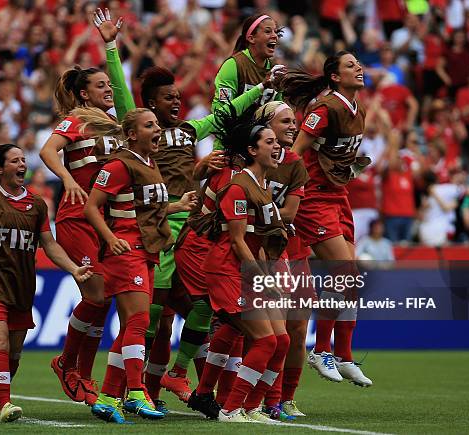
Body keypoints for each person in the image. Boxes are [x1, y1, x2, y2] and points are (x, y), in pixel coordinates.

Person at [92, 8, 273, 405]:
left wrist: (260, 91)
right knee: (151, 320)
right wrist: (110, 45)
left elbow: (222, 115)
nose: (176, 102)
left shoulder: (190, 130)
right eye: (167, 98)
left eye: (177, 96)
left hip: (189, 229)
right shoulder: (137, 126)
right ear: (149, 105)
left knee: (204, 304)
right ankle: (124, 391)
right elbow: (121, 90)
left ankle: (174, 374)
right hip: (155, 230)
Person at [0, 144, 93, 423]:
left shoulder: (37, 204)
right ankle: (4, 404)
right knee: (0, 341)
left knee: (14, 351)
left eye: (24, 160)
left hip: (22, 282)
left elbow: (49, 245)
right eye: (15, 161)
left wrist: (74, 269)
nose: (22, 165)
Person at [39, 22, 135, 403]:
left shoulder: (114, 124)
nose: (109, 90)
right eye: (101, 86)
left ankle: (81, 373)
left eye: (109, 86)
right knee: (96, 295)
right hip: (78, 215)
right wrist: (67, 178)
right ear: (83, 94)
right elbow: (48, 151)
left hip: (108, 221)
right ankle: (67, 363)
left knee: (104, 300)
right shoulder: (76, 118)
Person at [82, 107, 197, 423]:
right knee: (139, 320)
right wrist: (109, 237)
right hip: (125, 251)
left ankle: (107, 397)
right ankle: (135, 391)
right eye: (150, 125)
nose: (158, 129)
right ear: (132, 134)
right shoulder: (119, 165)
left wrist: (177, 205)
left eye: (157, 125)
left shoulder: (149, 163)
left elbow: (148, 208)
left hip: (146, 251)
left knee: (132, 327)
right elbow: (92, 207)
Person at [273, 51, 373, 387]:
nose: (358, 68)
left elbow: (332, 154)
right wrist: (281, 189)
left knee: (351, 280)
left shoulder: (358, 109)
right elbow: (295, 151)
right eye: (350, 65)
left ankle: (344, 355)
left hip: (338, 195)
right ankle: (322, 350)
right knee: (344, 272)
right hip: (313, 197)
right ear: (334, 76)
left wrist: (351, 166)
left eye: (358, 64)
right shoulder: (324, 109)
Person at [197, 104, 290, 424]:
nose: (276, 145)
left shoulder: (263, 187)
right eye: (268, 142)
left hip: (245, 269)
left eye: (275, 142)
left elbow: (256, 242)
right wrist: (263, 280)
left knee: (282, 341)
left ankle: (250, 407)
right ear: (251, 150)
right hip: (225, 270)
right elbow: (236, 241)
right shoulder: (238, 187)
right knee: (265, 340)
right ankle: (230, 408)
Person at [254, 101, 311, 420]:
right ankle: (261, 396)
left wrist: (261, 212)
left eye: (295, 121)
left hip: (293, 248)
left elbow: (290, 213)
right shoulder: (247, 159)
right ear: (266, 127)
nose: (293, 127)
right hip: (255, 248)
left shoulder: (295, 164)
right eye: (285, 121)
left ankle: (285, 398)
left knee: (298, 327)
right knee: (259, 328)